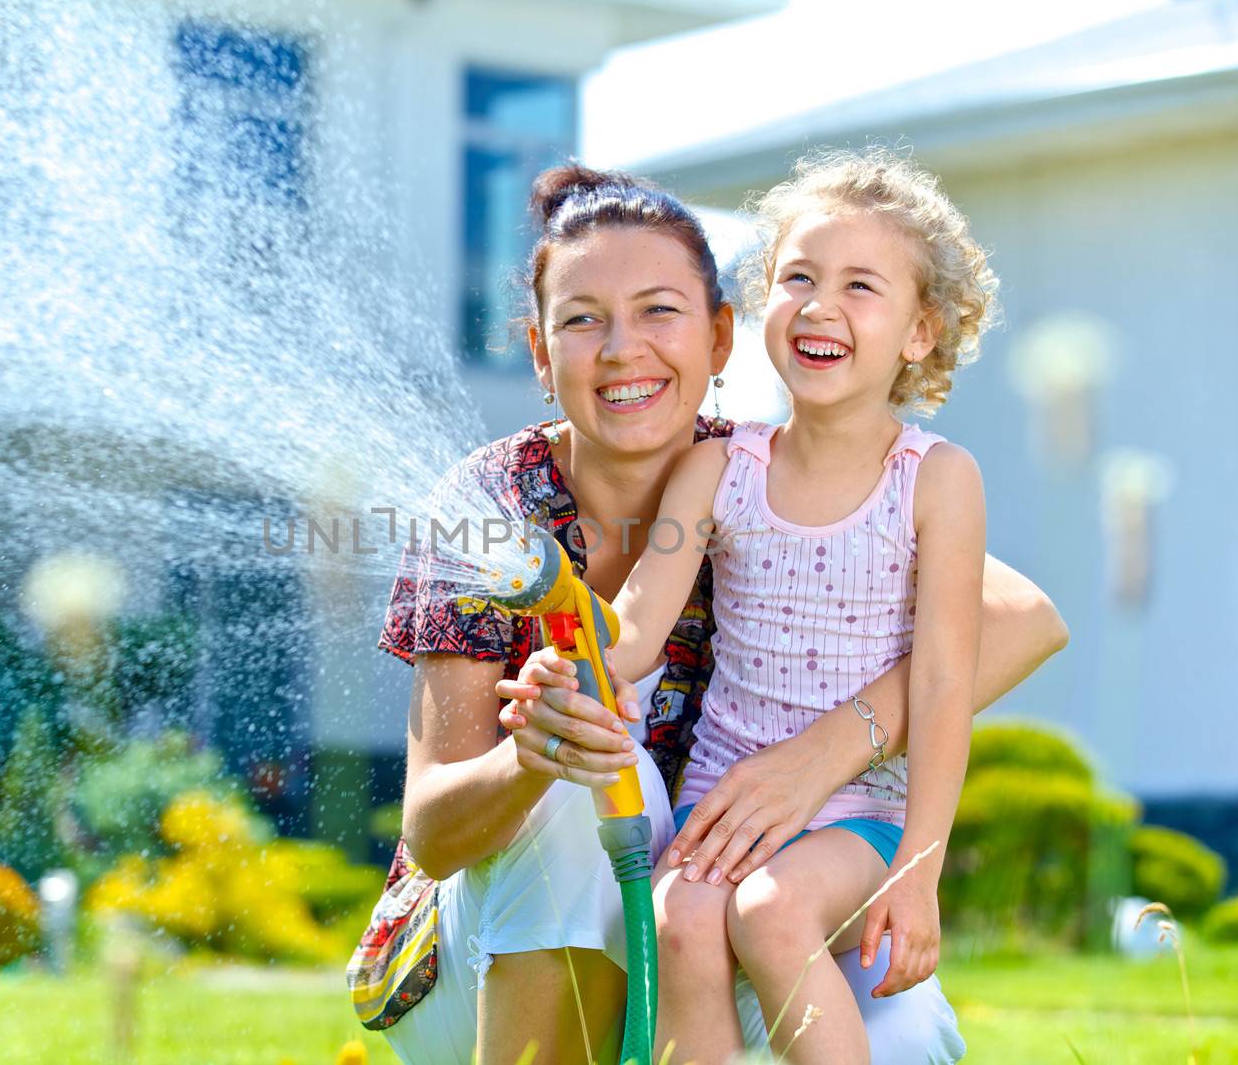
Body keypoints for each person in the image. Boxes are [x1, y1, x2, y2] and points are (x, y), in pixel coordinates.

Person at [361, 161, 1066, 1065]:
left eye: (660, 309)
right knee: (595, 784)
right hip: (493, 957)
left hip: (767, 864)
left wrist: (823, 754)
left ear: (719, 335)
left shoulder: (803, 473)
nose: (622, 350)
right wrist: (535, 745)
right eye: (582, 320)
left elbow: (1024, 617)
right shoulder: (491, 508)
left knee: (902, 1032)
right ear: (540, 352)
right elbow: (432, 829)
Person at [512, 146, 998, 1064]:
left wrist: (922, 866)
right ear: (764, 303)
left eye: (861, 286)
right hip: (720, 803)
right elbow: (636, 628)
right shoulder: (719, 468)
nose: (820, 305)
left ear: (921, 332)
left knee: (771, 914)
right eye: (797, 278)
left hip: (861, 816)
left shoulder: (936, 482)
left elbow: (940, 684)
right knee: (679, 919)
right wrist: (571, 648)